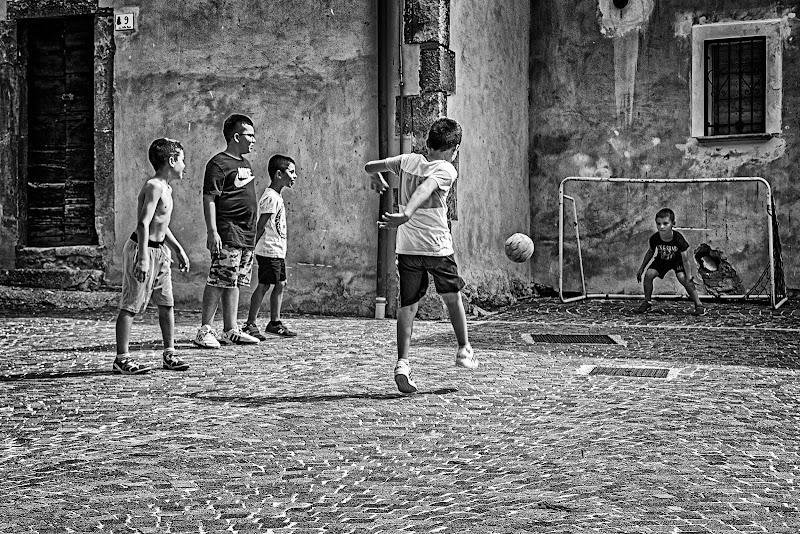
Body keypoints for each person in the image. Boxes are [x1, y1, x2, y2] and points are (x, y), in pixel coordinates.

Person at [364, 117, 477, 394]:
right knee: (452, 297)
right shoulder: (446, 169)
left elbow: (369, 166)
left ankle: (402, 363)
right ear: (455, 149)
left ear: (427, 143)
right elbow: (426, 188)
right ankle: (463, 349)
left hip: (408, 249)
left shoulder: (407, 160)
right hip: (437, 248)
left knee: (408, 305)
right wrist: (405, 213)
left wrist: (375, 177)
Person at [114, 138, 191, 374]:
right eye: (182, 160)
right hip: (143, 249)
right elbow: (143, 223)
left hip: (161, 251)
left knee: (166, 303)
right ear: (171, 161)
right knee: (131, 303)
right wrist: (144, 258)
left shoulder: (167, 188)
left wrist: (178, 249)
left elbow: (162, 225)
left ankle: (170, 353)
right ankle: (122, 358)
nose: (185, 165)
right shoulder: (154, 186)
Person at [194, 114, 261, 348]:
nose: (254, 140)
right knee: (219, 279)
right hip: (228, 232)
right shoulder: (218, 163)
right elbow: (209, 197)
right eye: (249, 135)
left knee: (234, 282)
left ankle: (231, 329)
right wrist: (212, 231)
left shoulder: (245, 163)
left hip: (246, 235)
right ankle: (205, 330)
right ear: (236, 136)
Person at [243, 154, 298, 340]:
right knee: (265, 284)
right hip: (268, 250)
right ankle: (250, 323)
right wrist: (251, 247)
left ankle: (275, 322)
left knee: (280, 283)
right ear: (278, 174)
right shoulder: (270, 197)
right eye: (291, 172)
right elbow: (261, 224)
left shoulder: (277, 197)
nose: (295, 176)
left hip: (277, 250)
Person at [636, 207, 706, 316]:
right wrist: (642, 268)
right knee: (649, 274)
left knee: (684, 279)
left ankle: (699, 305)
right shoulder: (655, 238)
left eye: (665, 223)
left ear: (673, 224)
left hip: (677, 261)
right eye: (658, 224)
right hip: (662, 260)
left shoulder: (678, 238)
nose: (661, 227)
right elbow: (650, 252)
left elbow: (685, 259)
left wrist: (689, 276)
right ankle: (647, 302)